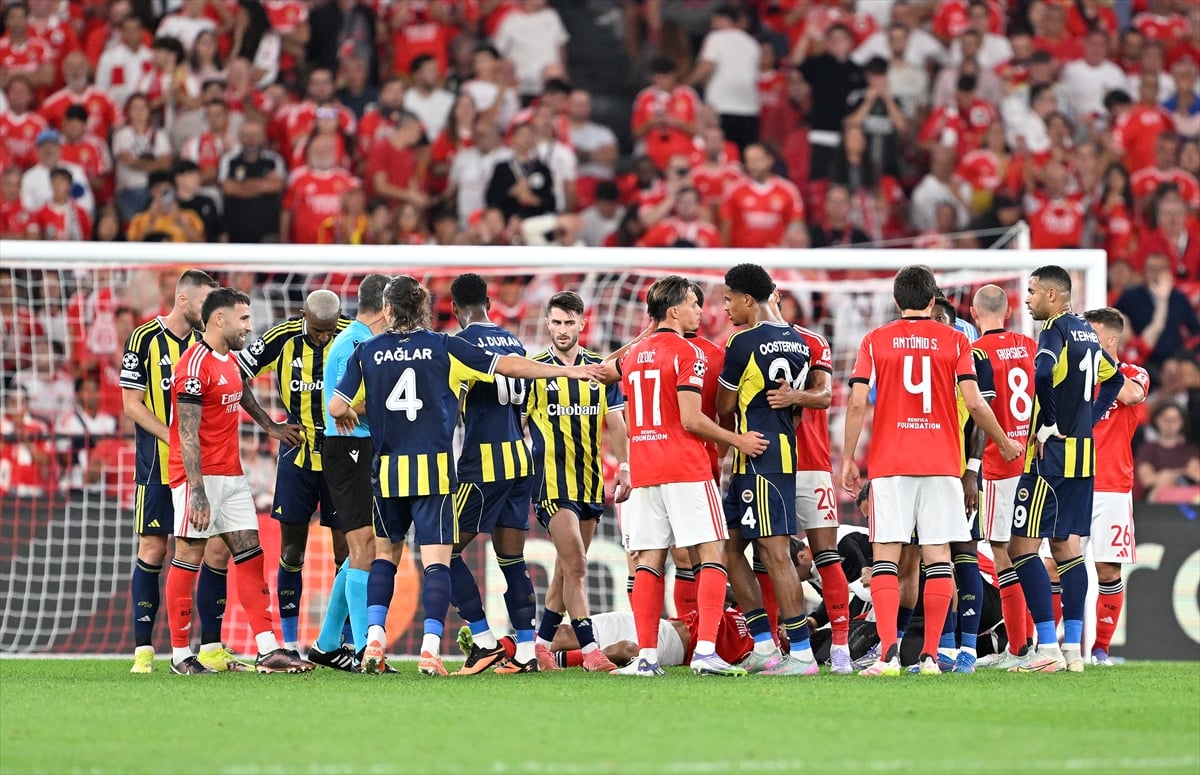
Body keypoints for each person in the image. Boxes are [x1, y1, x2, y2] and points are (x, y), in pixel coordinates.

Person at [327, 277, 606, 676]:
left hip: (430, 468)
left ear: (388, 310)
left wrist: (371, 409)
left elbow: (338, 408)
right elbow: (511, 369)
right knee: (487, 559)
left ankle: (416, 639)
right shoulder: (482, 342)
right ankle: (505, 649)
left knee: (409, 555)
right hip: (489, 464)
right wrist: (568, 373)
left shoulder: (381, 349)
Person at [842, 265, 1021, 676]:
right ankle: (930, 657)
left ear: (896, 300)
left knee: (887, 558)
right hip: (942, 463)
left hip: (890, 464)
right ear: (931, 299)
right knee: (939, 557)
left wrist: (849, 458)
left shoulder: (875, 339)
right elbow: (974, 403)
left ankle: (888, 655)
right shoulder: (956, 340)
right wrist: (1004, 441)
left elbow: (856, 402)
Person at [597, 276, 767, 676]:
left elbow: (604, 370)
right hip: (685, 467)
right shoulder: (689, 352)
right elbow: (692, 419)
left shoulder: (634, 354)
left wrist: (646, 334)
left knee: (649, 561)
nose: (699, 311)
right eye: (693, 304)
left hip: (645, 468)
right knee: (712, 553)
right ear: (674, 311)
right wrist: (737, 440)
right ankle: (706, 650)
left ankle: (647, 658)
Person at [164, 287, 311, 675]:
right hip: (197, 477)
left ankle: (267, 649)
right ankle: (179, 655)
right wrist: (196, 491)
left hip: (230, 473)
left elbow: (240, 390)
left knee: (251, 553)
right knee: (189, 556)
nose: (249, 326)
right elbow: (186, 433)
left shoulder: (228, 359)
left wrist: (270, 425)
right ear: (219, 319)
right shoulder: (193, 366)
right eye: (243, 318)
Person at [1008, 266, 1125, 673]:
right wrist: (1088, 418)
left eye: (1032, 291)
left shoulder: (1054, 329)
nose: (1027, 299)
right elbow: (1115, 378)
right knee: (1065, 547)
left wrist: (1050, 423)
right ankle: (1072, 650)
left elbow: (1042, 372)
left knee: (1021, 548)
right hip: (1083, 458)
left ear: (1053, 295)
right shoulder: (1087, 332)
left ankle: (1047, 648)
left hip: (1050, 457)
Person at [120, 270, 231, 674]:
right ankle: (143, 651)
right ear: (183, 300)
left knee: (216, 549)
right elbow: (131, 404)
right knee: (154, 548)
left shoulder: (208, 344)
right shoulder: (144, 338)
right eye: (204, 302)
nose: (211, 310)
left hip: (204, 468)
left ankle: (211, 648)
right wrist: (172, 436)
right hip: (157, 465)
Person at [717, 264, 820, 675]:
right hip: (773, 452)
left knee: (775, 553)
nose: (725, 308)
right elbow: (798, 406)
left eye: (728, 299)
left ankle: (802, 654)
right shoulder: (799, 341)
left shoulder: (742, 342)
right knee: (729, 548)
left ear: (747, 299)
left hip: (760, 455)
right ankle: (763, 644)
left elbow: (725, 405)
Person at [237, 290, 349, 656]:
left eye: (329, 330)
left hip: (341, 457)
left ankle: (344, 642)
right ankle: (288, 642)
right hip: (297, 455)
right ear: (304, 316)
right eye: (318, 330)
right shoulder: (281, 337)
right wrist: (270, 424)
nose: (324, 337)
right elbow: (234, 374)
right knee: (291, 551)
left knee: (348, 553)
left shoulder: (352, 335)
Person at [526, 291, 631, 674]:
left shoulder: (600, 371)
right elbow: (517, 427)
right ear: (547, 323)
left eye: (569, 322)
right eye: (556, 322)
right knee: (577, 565)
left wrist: (625, 466)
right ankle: (590, 651)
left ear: (582, 324)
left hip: (589, 483)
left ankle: (540, 647)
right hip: (550, 484)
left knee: (565, 571)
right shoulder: (534, 371)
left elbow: (616, 423)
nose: (562, 329)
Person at [442, 273, 541, 674]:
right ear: (488, 302)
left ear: (454, 308)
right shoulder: (513, 342)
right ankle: (527, 651)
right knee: (512, 558)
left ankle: (484, 640)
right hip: (521, 458)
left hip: (484, 463)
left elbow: (452, 406)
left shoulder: (461, 345)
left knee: (442, 549)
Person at [761, 293, 853, 674]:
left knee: (826, 553)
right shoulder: (747, 342)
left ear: (777, 297)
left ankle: (842, 648)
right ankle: (776, 646)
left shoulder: (813, 341)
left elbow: (825, 395)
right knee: (767, 556)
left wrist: (793, 397)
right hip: (768, 463)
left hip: (811, 461)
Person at [307, 274, 392, 672]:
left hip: (360, 447)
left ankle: (326, 644)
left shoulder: (360, 340)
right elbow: (340, 405)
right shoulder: (356, 344)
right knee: (364, 549)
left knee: (363, 548)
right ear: (386, 307)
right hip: (349, 448)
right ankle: (363, 650)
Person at [968, 285, 1039, 671]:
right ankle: (1033, 641)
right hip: (1034, 461)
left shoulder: (977, 352)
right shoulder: (1029, 346)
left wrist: (999, 444)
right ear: (1009, 311)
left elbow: (980, 408)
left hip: (1000, 464)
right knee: (1028, 553)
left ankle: (1018, 645)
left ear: (974, 313)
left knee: (1002, 551)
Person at [1083, 308, 1150, 667]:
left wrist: (1101, 364)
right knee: (1051, 566)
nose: (1084, 341)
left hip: (1111, 486)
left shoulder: (1133, 373)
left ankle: (1101, 650)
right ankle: (1049, 647)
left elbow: (1132, 396)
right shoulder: (1074, 374)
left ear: (1110, 339)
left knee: (1108, 571)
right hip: (1071, 482)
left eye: (1091, 335)